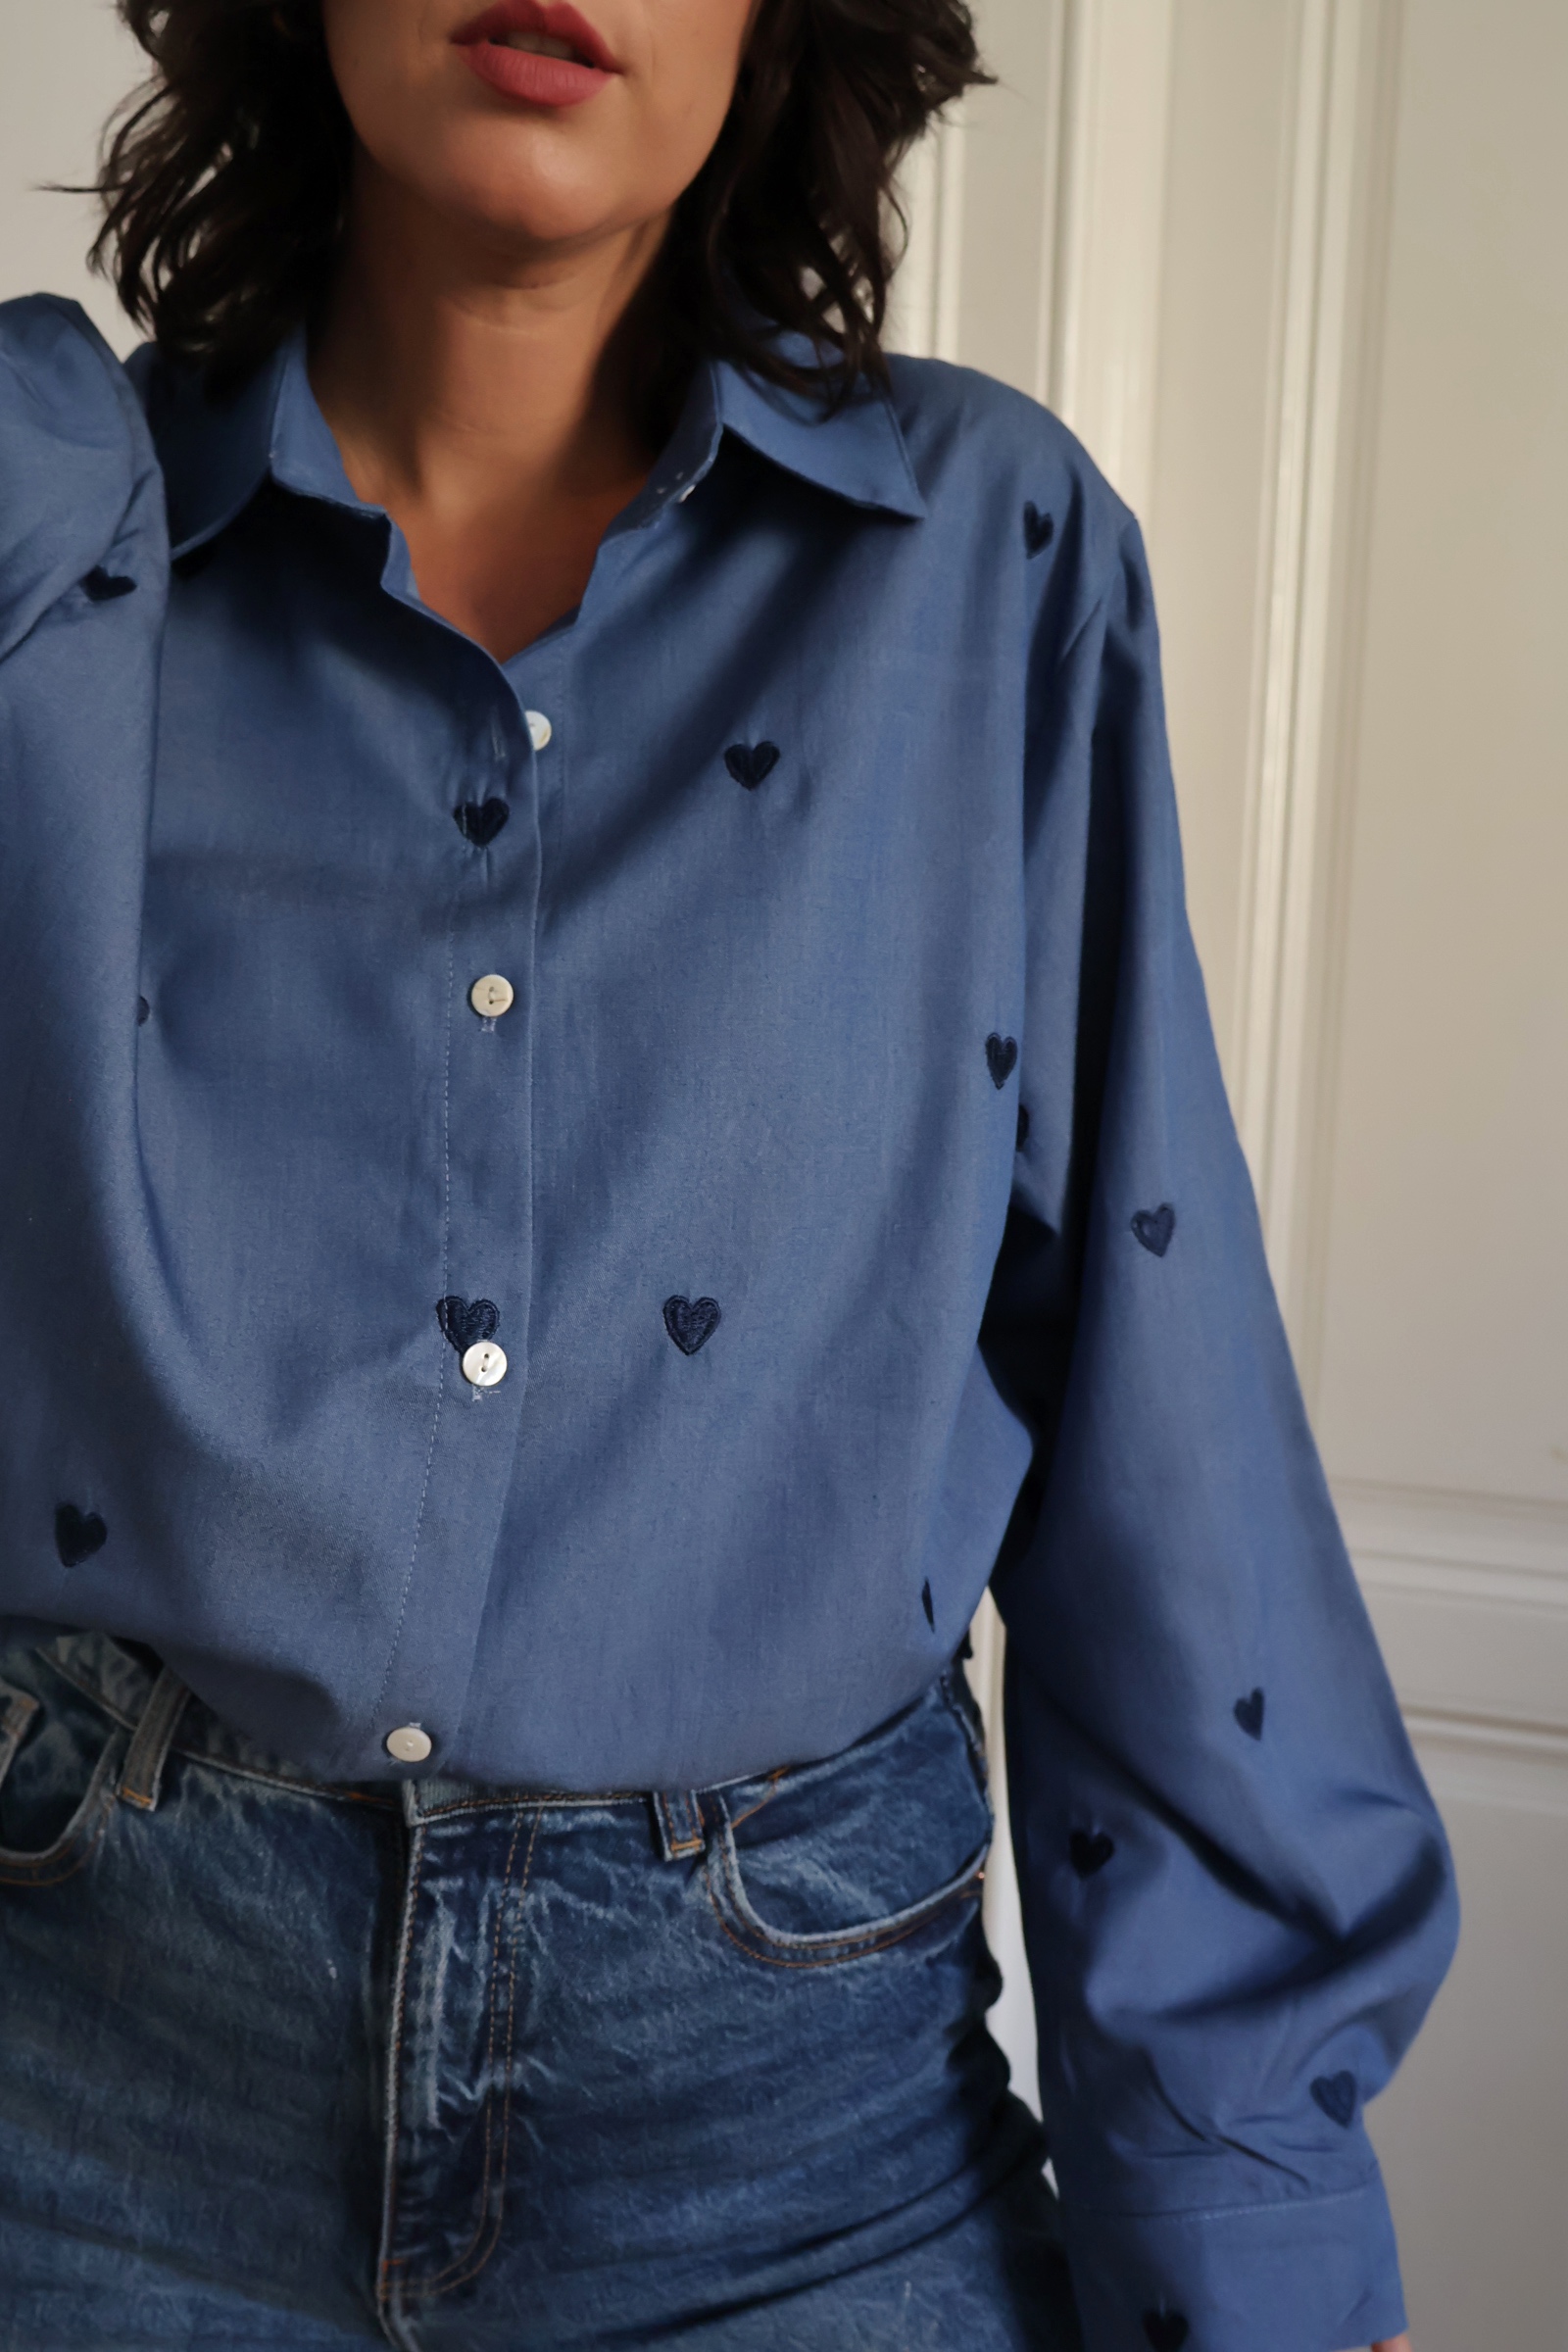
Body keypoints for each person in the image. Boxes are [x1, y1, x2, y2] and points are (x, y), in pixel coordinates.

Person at [0, 1, 1455, 2346]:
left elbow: (1147, 1383)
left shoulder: (985, 555)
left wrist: (1251, 2226)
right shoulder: (50, 543)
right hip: (76, 2091)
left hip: (793, 2159)